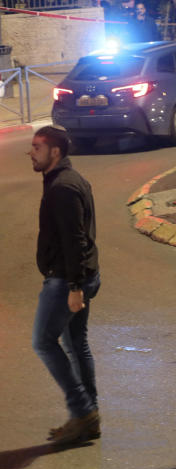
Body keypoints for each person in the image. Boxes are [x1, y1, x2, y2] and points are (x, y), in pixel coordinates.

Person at [29, 125, 102, 446]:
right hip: (79, 276)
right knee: (75, 344)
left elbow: (75, 241)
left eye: (36, 147)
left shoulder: (63, 188)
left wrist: (74, 286)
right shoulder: (68, 180)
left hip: (67, 279)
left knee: (44, 342)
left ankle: (82, 410)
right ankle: (89, 419)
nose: (31, 153)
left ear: (54, 152)